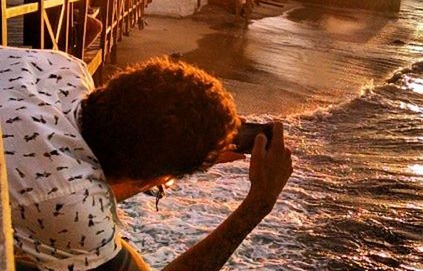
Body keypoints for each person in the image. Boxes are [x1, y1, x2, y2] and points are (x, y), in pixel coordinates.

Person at [1, 50, 292, 271]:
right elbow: (68, 193)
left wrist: (180, 156)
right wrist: (258, 205)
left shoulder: (63, 66)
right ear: (153, 178)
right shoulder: (70, 208)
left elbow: (71, 172)